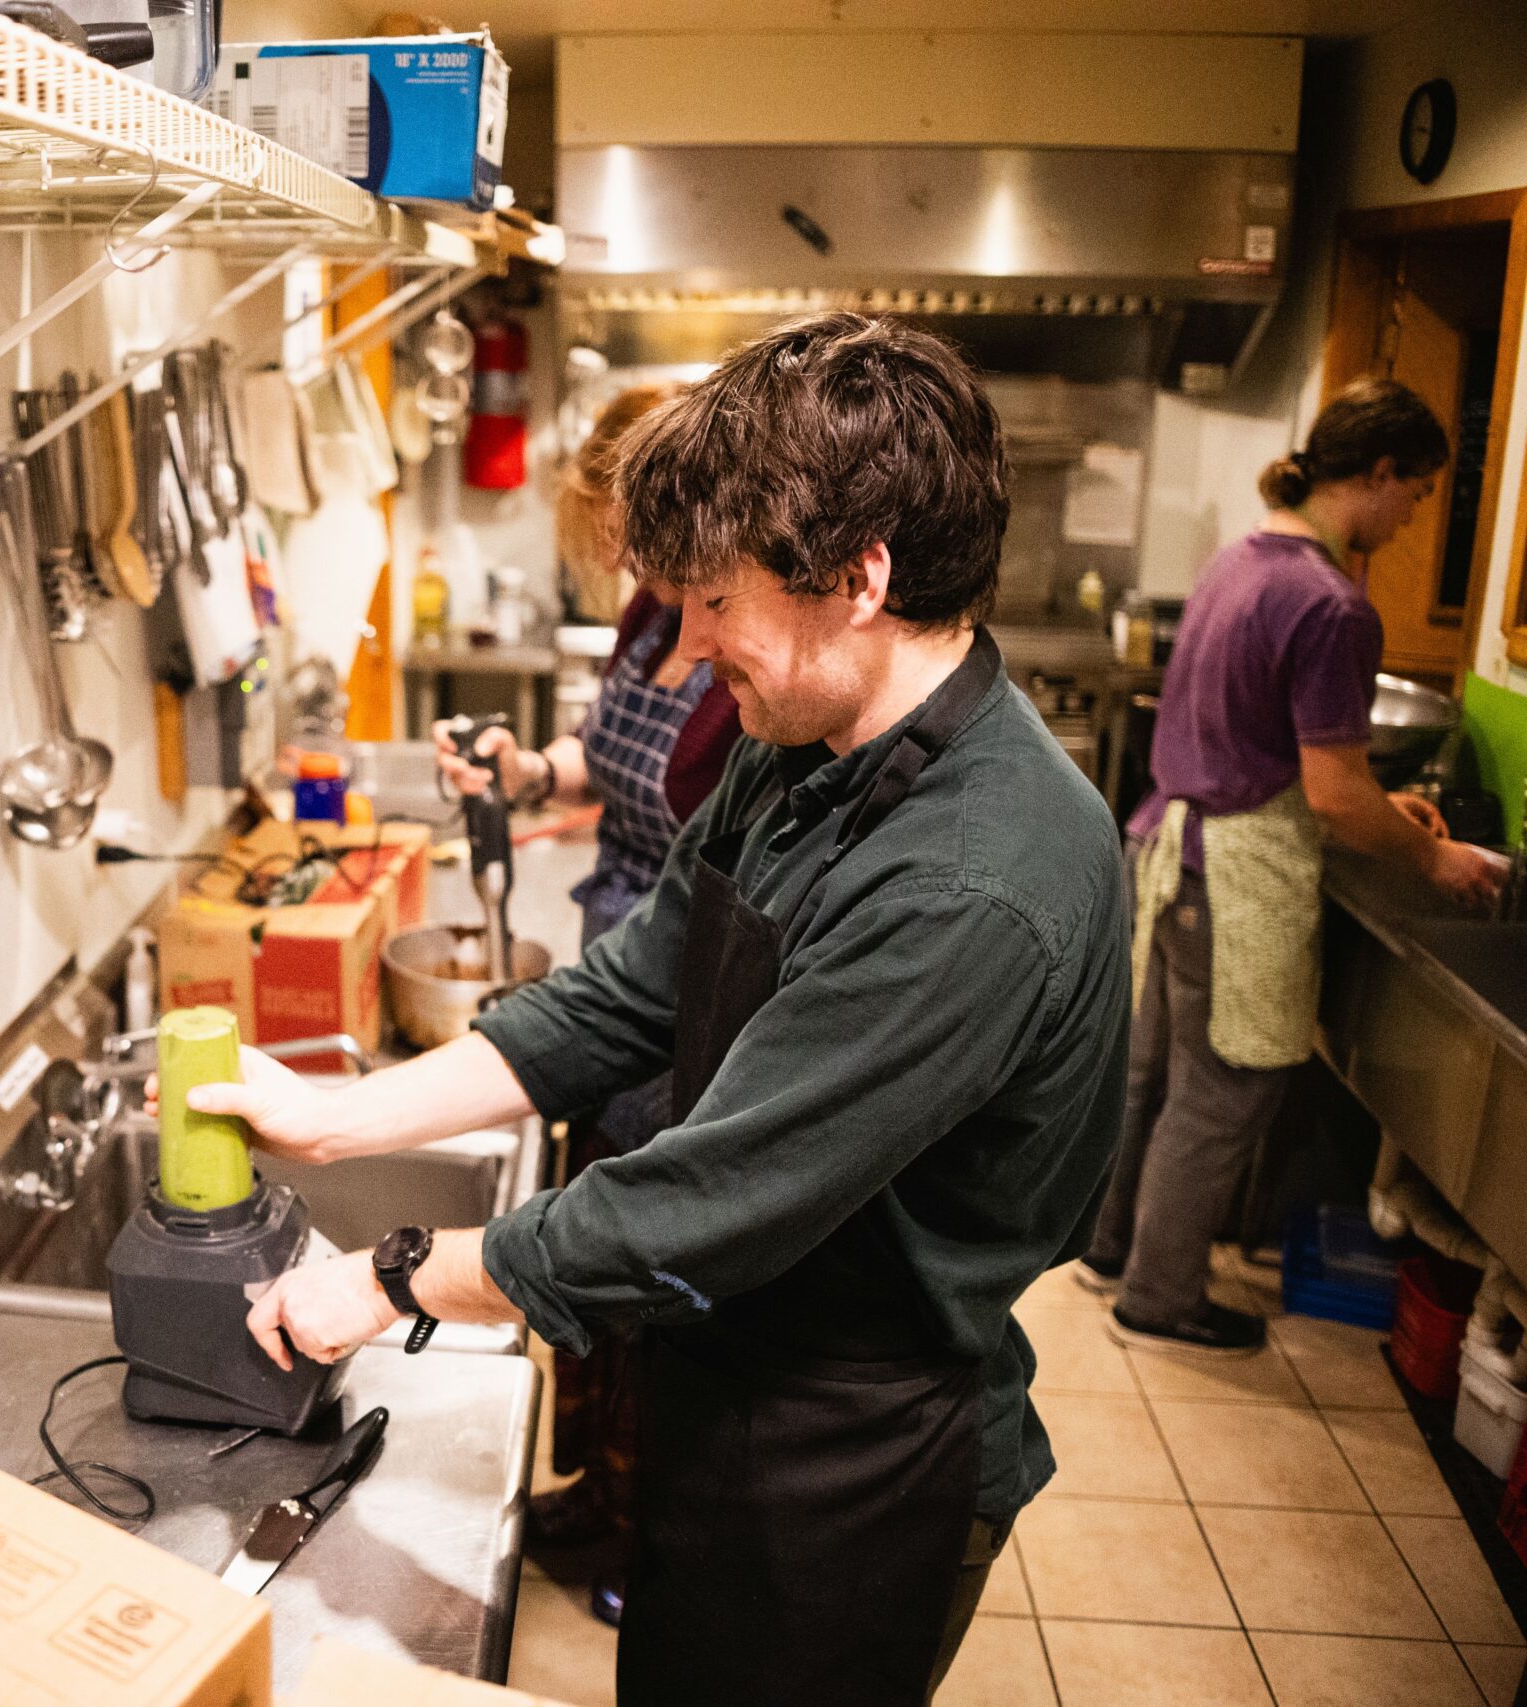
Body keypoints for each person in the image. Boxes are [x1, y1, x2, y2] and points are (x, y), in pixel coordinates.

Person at [178, 313, 1130, 1705]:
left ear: (859, 578)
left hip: (856, 1459)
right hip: (734, 1379)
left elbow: (700, 1201)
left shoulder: (976, 880)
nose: (684, 650)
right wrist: (333, 1118)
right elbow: (629, 992)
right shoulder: (805, 747)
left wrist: (382, 1281)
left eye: (718, 601)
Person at [1079, 378, 1504, 1353]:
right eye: (1417, 495)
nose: (1409, 518)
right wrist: (1434, 858)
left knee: (1150, 1080)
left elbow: (1277, 749)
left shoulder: (1240, 560)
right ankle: (1158, 1297)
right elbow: (1331, 797)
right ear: (1381, 472)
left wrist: (1373, 798)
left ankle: (1107, 1251)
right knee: (1222, 1089)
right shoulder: (1329, 604)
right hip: (1232, 875)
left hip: (1167, 849)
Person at [431, 383, 742, 1623]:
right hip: (611, 963)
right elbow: (604, 752)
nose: (618, 557)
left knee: (648, 1266)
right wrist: (529, 766)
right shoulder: (647, 615)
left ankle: (650, 1527)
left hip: (689, 996)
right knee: (594, 1244)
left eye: (623, 527)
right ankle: (596, 1486)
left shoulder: (735, 649)